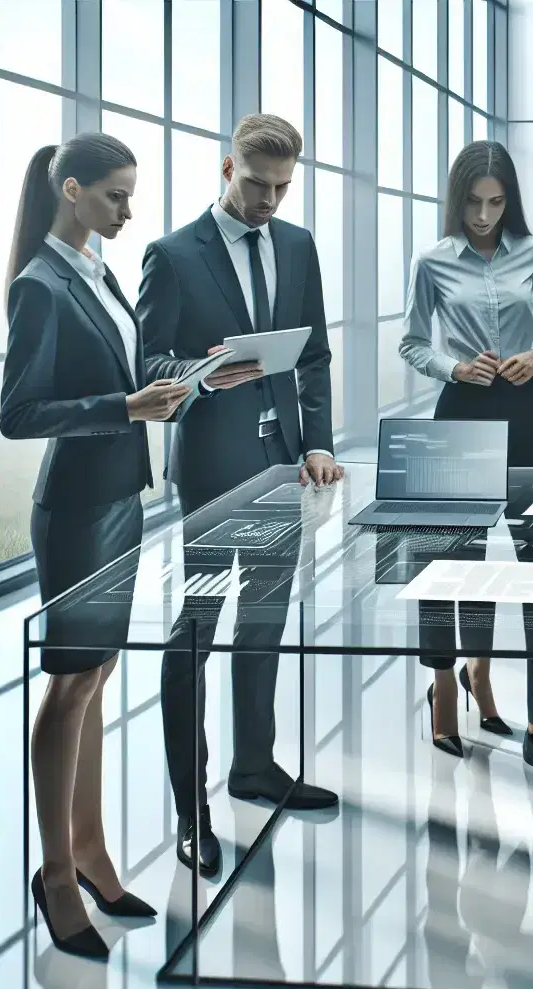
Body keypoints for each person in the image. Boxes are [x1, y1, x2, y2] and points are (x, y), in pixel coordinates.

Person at [138, 114, 343, 877]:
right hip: (212, 468)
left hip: (282, 462)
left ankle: (255, 769)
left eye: (284, 187)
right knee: (195, 631)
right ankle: (191, 813)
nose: (270, 200)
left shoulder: (296, 245)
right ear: (228, 170)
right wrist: (200, 372)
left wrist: (318, 442)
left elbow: (314, 354)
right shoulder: (171, 255)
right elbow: (149, 359)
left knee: (262, 623)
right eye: (257, 185)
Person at [0, 133, 188, 958]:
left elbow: (121, 370)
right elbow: (18, 415)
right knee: (72, 686)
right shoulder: (40, 286)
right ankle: (56, 876)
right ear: (71, 190)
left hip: (120, 499)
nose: (128, 210)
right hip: (76, 510)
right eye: (116, 195)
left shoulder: (99, 271)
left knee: (99, 679)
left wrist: (180, 384)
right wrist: (124, 408)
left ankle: (91, 851)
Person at [398, 141, 533, 798]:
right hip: (459, 409)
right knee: (452, 561)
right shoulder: (431, 262)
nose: (484, 215)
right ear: (458, 201)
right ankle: (449, 680)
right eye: (474, 203)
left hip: (524, 412)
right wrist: (453, 366)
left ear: (510, 199)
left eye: (497, 202)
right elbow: (411, 341)